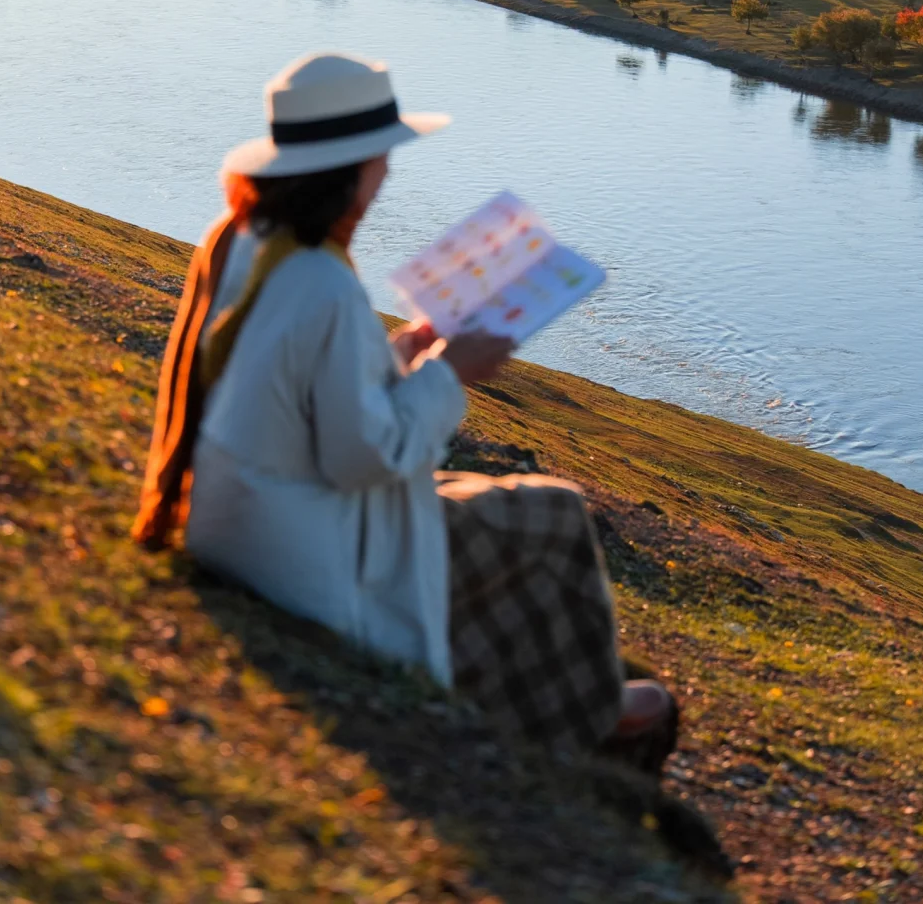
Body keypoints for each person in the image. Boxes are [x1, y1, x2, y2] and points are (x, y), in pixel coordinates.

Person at [133, 52, 676, 763]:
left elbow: (297, 385)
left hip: (243, 519)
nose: (388, 174)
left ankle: (563, 691)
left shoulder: (244, 239)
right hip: (302, 552)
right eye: (383, 157)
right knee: (553, 513)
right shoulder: (322, 284)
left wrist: (401, 351)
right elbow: (364, 457)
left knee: (486, 507)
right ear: (354, 168)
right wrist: (451, 372)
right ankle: (587, 718)